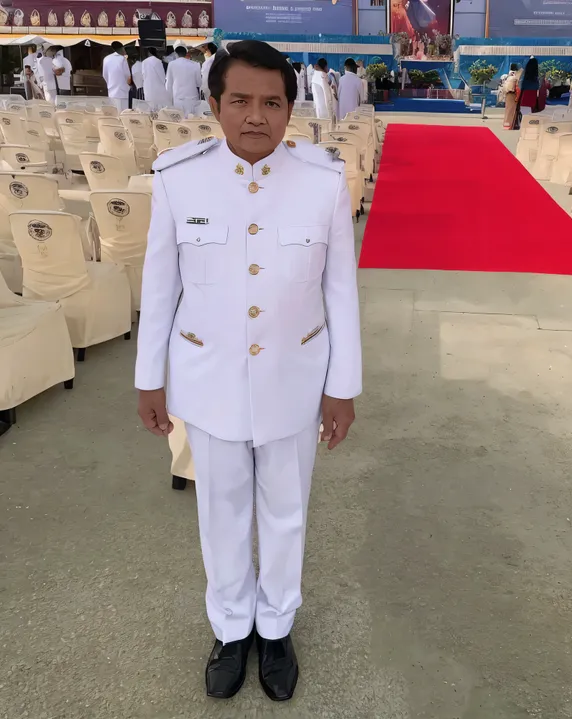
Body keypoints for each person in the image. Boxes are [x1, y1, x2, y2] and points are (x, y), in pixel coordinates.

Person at [135, 38, 361, 703]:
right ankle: (232, 627)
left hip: (296, 376)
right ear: (215, 104)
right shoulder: (179, 179)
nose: (255, 116)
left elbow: (341, 291)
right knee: (221, 510)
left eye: (271, 102)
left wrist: (342, 387)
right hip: (209, 380)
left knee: (286, 511)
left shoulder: (322, 182)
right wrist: (151, 377)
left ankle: (277, 623)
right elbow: (161, 286)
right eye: (240, 100)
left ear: (291, 109)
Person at [166, 46, 202, 117]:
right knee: (193, 121)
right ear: (186, 53)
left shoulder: (171, 64)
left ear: (175, 54)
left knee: (180, 122)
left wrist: (169, 100)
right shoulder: (195, 65)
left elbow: (168, 84)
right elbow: (199, 83)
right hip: (192, 98)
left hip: (178, 99)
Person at [102, 41, 132, 112]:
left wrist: (110, 83)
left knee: (114, 112)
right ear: (122, 48)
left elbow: (104, 74)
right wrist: (130, 85)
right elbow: (127, 75)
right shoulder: (122, 59)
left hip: (111, 91)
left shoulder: (106, 59)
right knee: (123, 113)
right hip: (122, 91)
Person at [142, 47, 170, 111]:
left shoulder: (144, 62)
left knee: (150, 108)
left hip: (148, 88)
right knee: (160, 108)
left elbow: (143, 76)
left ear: (148, 53)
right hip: (158, 88)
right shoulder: (158, 61)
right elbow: (162, 76)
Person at [502, 64, 520, 130]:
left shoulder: (508, 75)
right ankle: (510, 125)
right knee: (512, 110)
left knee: (508, 110)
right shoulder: (516, 76)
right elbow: (517, 87)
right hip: (512, 93)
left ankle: (506, 124)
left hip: (507, 93)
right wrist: (518, 97)